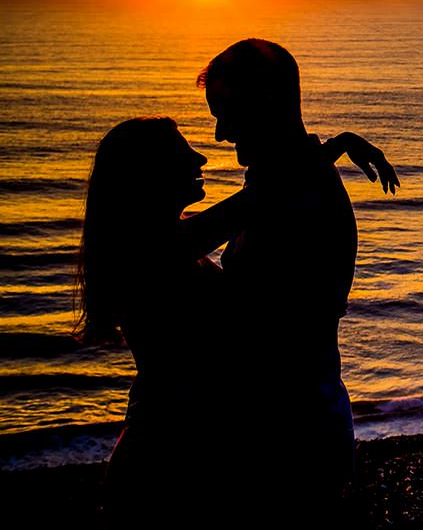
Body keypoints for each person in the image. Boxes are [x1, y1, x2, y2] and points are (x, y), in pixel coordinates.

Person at [74, 116, 395, 528]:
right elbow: (261, 198)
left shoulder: (165, 242)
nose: (201, 155)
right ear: (148, 174)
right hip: (163, 458)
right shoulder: (153, 250)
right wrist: (337, 145)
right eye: (180, 151)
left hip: (178, 452)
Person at [196, 38, 382, 520]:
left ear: (265, 101)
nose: (219, 134)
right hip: (290, 421)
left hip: (290, 433)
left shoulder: (294, 193)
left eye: (225, 112)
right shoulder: (288, 183)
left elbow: (187, 245)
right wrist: (330, 149)